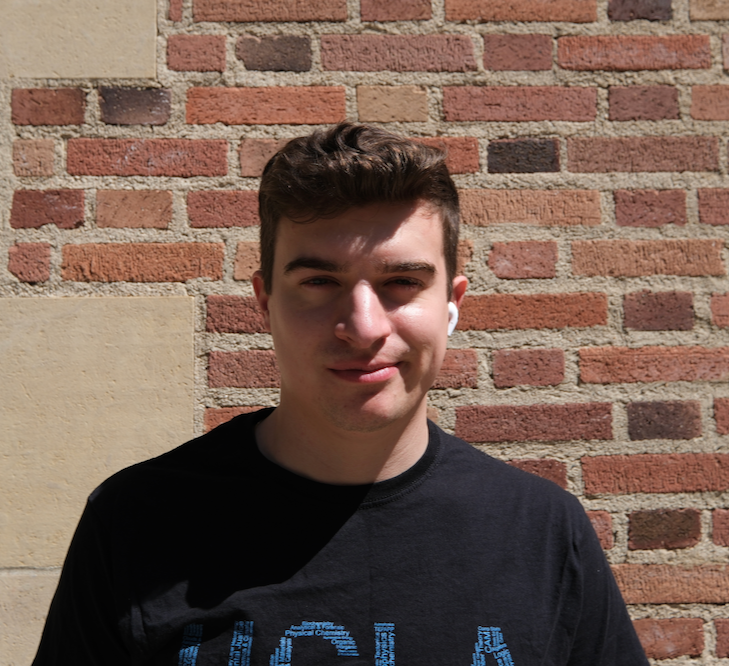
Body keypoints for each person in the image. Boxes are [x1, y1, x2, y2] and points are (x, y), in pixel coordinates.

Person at [33, 122, 648, 665]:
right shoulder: (138, 521)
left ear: (452, 304)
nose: (363, 327)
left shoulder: (540, 531)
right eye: (320, 280)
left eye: (402, 282)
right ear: (265, 302)